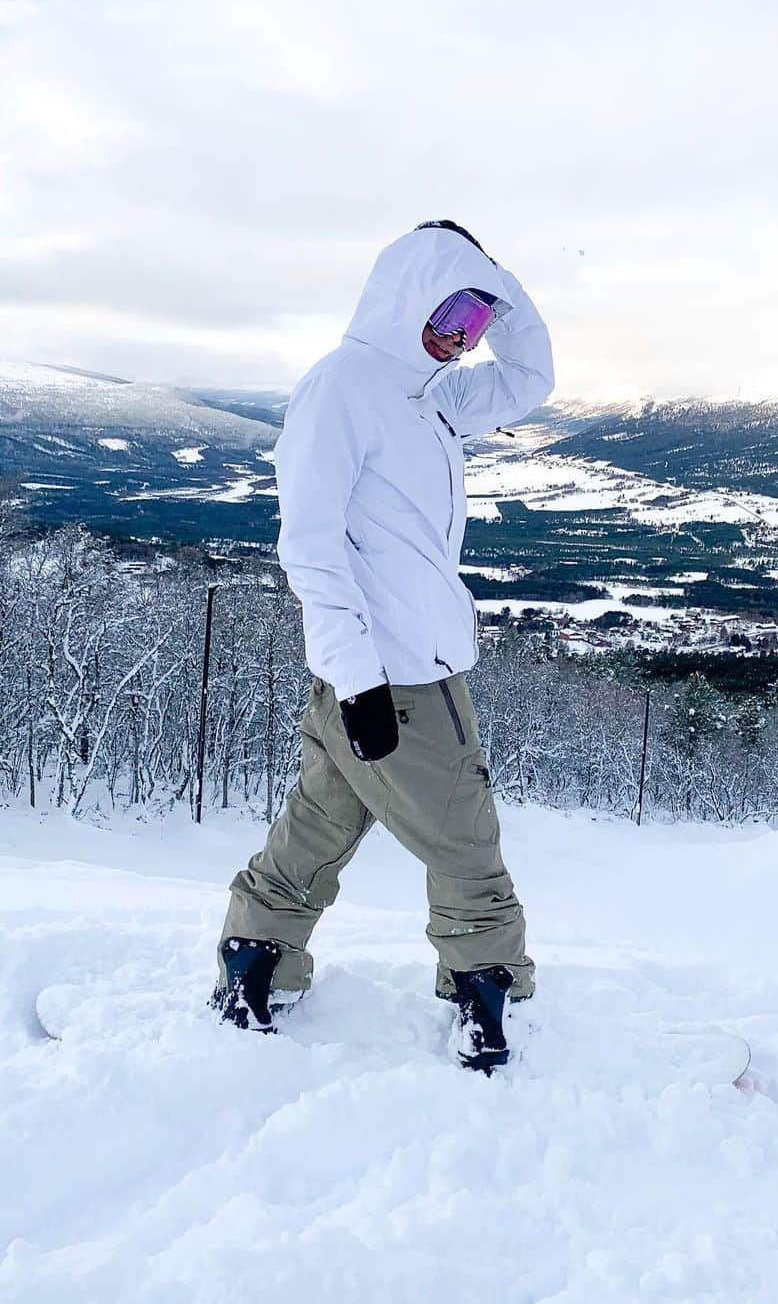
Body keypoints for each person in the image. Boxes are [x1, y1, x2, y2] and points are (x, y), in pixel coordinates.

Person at [211, 220, 554, 1073]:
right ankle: (486, 986)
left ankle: (256, 954)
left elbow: (531, 377)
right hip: (395, 673)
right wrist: (360, 681)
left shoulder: (433, 394)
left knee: (323, 817)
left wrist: (498, 286)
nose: (461, 335)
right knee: (466, 840)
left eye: (476, 321)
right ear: (405, 298)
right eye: (451, 312)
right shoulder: (342, 388)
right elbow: (312, 546)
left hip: (379, 666)